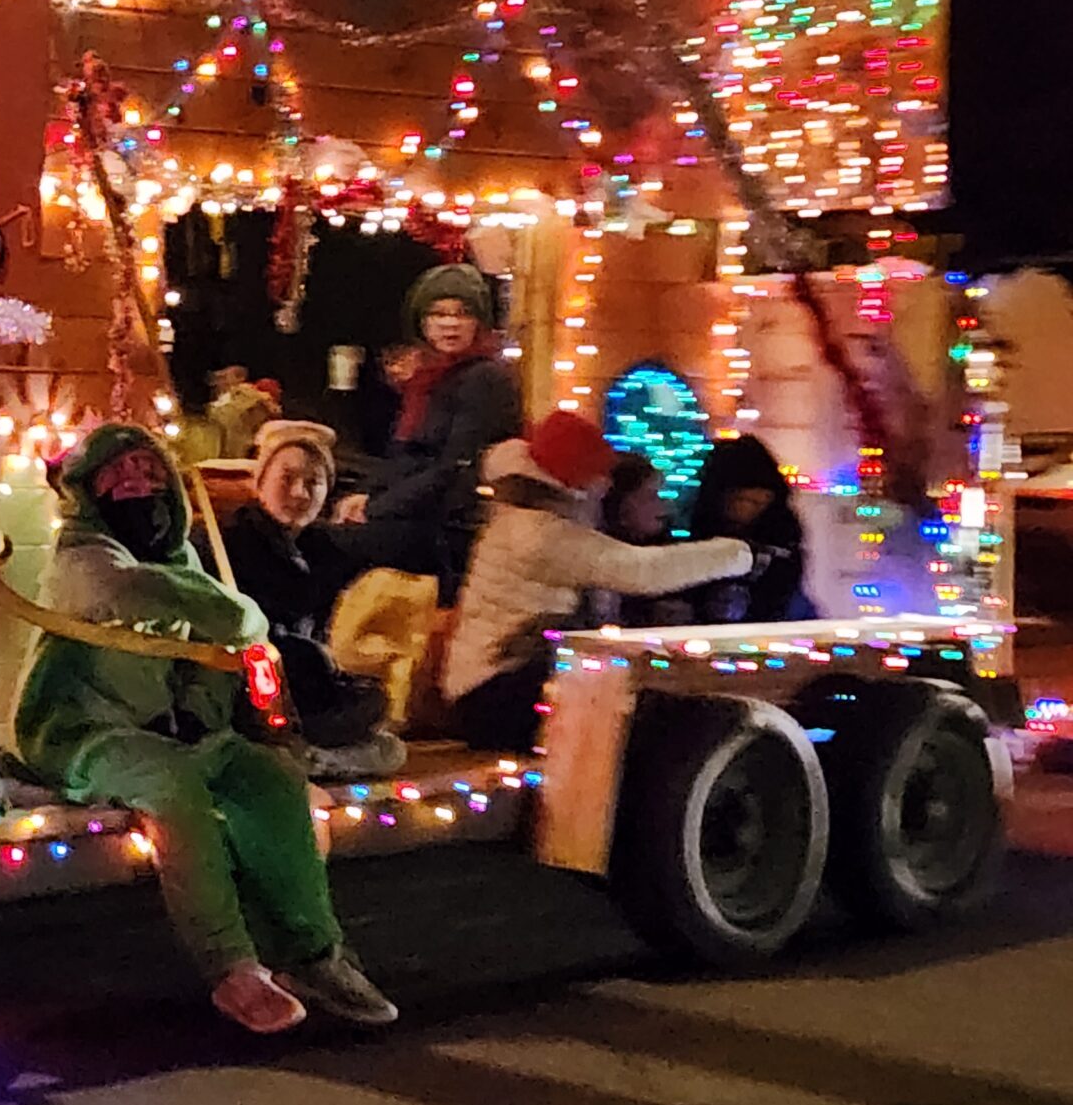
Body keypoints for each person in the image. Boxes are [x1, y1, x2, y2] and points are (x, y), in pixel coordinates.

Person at [14, 421, 397, 1036]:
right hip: (84, 729)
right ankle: (232, 967)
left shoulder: (180, 555)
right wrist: (233, 610)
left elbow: (222, 629)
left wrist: (210, 691)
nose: (136, 482)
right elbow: (136, 593)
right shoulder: (81, 556)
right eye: (118, 473)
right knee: (175, 790)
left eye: (148, 469)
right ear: (90, 488)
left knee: (272, 778)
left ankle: (314, 952)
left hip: (172, 726)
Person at [443, 412, 754, 753]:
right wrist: (737, 553)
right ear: (575, 484)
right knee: (639, 713)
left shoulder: (526, 521)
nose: (604, 487)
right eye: (598, 479)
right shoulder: (540, 536)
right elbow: (641, 571)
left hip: (496, 687)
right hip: (497, 694)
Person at [222, 420, 402, 776]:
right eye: (287, 479)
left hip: (309, 690)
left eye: (313, 482)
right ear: (261, 483)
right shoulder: (232, 543)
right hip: (257, 690)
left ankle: (312, 756)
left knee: (386, 738)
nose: (301, 493)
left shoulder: (318, 547)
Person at [335, 261, 521, 597]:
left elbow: (453, 467)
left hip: (450, 526)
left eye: (462, 313)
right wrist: (363, 495)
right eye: (438, 314)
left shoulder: (485, 378)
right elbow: (405, 457)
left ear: (478, 321)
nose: (450, 323)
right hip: (417, 513)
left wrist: (376, 508)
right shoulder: (429, 377)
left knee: (329, 548)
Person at [686, 433, 812, 624]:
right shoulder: (694, 539)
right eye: (743, 500)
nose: (748, 509)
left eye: (759, 502)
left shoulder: (782, 544)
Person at [588, 451, 693, 629]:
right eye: (651, 496)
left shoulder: (668, 552)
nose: (663, 505)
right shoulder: (593, 557)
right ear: (618, 504)